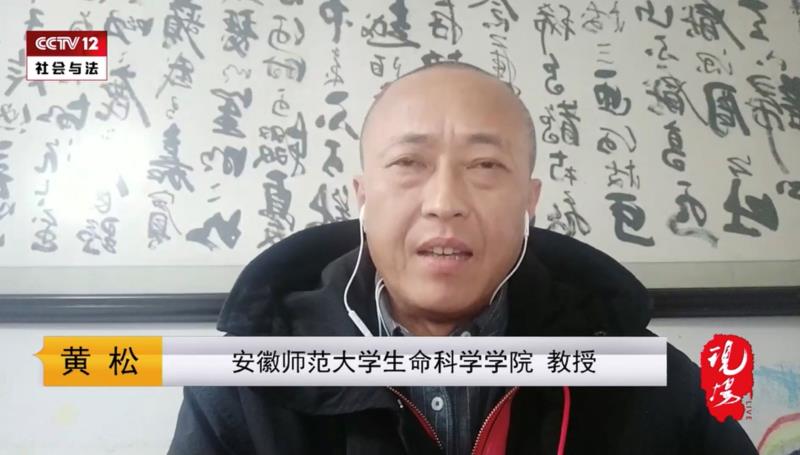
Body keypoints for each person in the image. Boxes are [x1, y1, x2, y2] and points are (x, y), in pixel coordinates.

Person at [168, 62, 758, 454]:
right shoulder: (245, 383)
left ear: (529, 201)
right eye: (409, 163)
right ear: (362, 196)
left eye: (485, 166)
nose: (444, 202)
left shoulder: (651, 380)